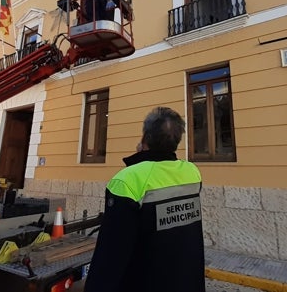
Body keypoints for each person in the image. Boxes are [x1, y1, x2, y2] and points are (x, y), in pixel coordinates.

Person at [84, 107, 205, 292]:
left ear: (145, 137)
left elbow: (111, 257)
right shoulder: (192, 172)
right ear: (177, 141)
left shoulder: (127, 179)